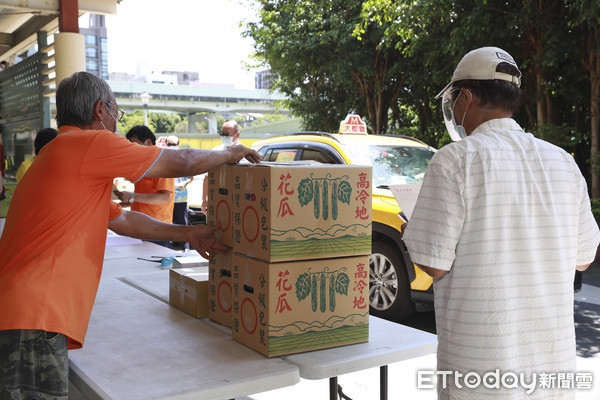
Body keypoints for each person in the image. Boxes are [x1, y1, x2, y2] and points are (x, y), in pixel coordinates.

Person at [0, 71, 260, 400]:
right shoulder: (89, 143)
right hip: (33, 315)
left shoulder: (59, 154)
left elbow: (124, 221)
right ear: (100, 110)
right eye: (116, 113)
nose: (117, 124)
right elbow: (181, 160)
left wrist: (188, 232)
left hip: (23, 312)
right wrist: (228, 153)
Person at [403, 47, 600, 400]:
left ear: (466, 97)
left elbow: (432, 264)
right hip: (552, 373)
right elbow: (583, 258)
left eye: (453, 98)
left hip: (480, 376)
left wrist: (412, 225)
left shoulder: (456, 160)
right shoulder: (563, 164)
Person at [202, 120, 241, 214]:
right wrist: (204, 200)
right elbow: (207, 178)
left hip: (237, 202)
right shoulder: (215, 152)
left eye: (227, 134)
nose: (224, 137)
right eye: (222, 134)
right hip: (218, 200)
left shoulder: (245, 155)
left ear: (237, 134)